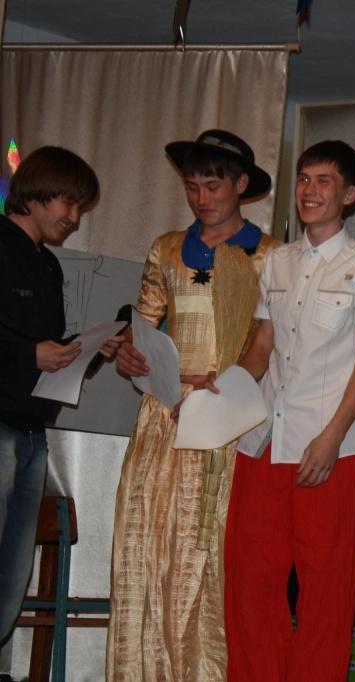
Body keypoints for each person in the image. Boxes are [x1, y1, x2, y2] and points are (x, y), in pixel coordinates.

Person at [107, 130, 279, 680]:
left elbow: (269, 343)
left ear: (241, 185)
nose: (202, 198)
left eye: (213, 185)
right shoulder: (165, 249)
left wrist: (224, 388)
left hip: (229, 417)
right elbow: (143, 327)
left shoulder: (270, 255)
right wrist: (129, 354)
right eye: (192, 186)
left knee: (216, 556)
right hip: (165, 416)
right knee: (148, 547)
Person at [224, 140, 355, 681]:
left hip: (330, 451)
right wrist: (217, 393)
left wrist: (331, 437)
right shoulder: (277, 260)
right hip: (264, 442)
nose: (309, 191)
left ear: (350, 193)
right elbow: (260, 347)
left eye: (323, 181)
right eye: (303, 179)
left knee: (326, 594)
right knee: (250, 586)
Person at [0, 146, 107, 645]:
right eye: (69, 201)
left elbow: (47, 350)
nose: (75, 217)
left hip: (32, 435)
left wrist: (91, 350)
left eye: (81, 206)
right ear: (37, 191)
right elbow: (27, 349)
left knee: (11, 575)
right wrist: (30, 354)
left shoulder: (48, 265)